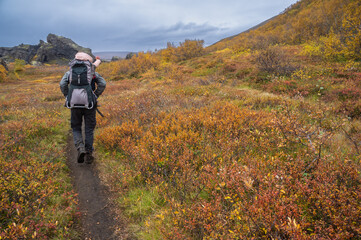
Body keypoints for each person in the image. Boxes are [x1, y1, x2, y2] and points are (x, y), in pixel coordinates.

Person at [60, 52, 106, 164]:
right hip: (90, 104)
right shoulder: (92, 71)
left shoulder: (70, 72)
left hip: (74, 104)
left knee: (76, 127)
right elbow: (103, 83)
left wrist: (68, 97)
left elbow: (62, 84)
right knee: (89, 129)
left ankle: (80, 148)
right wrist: (95, 96)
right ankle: (89, 154)